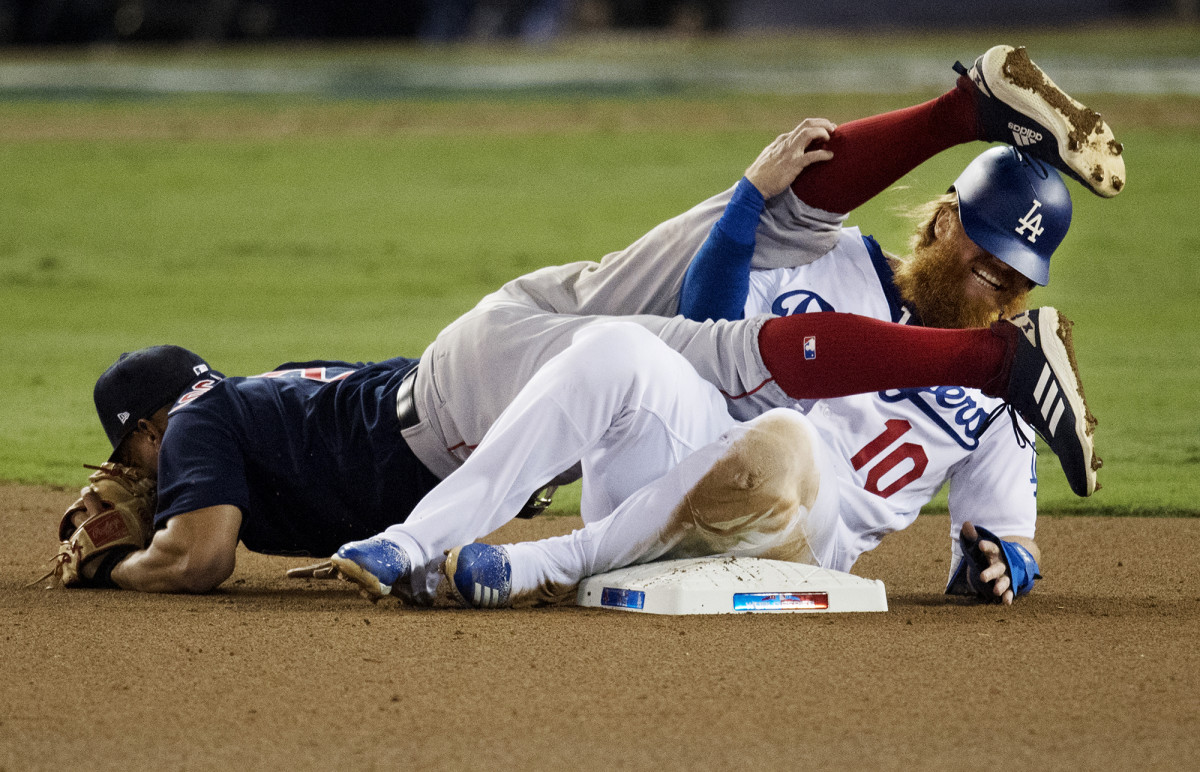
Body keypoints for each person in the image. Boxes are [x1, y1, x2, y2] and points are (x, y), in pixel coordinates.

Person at [77, 45, 1114, 601]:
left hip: (752, 499)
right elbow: (704, 323)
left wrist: (1002, 566)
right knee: (660, 318)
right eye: (977, 252)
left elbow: (1000, 545)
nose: (989, 273)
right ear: (939, 225)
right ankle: (960, 114)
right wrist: (749, 208)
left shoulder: (1006, 415)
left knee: (748, 378)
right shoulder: (834, 259)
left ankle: (962, 117)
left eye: (1010, 279)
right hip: (625, 430)